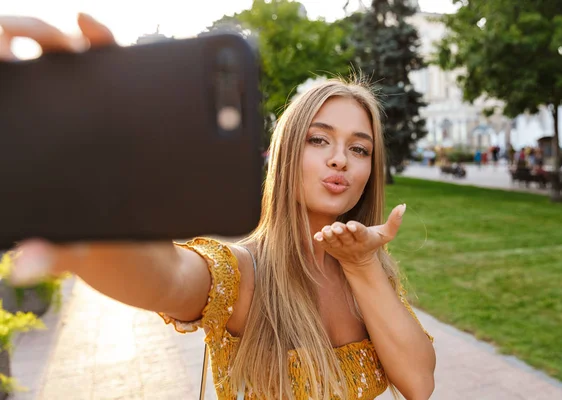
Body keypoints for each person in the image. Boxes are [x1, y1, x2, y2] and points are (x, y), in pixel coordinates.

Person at [1, 14, 436, 400]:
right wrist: (95, 218)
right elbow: (169, 277)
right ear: (286, 154)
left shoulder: (373, 273)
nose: (340, 158)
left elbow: (419, 384)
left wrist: (362, 267)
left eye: (359, 149)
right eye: (318, 139)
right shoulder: (243, 272)